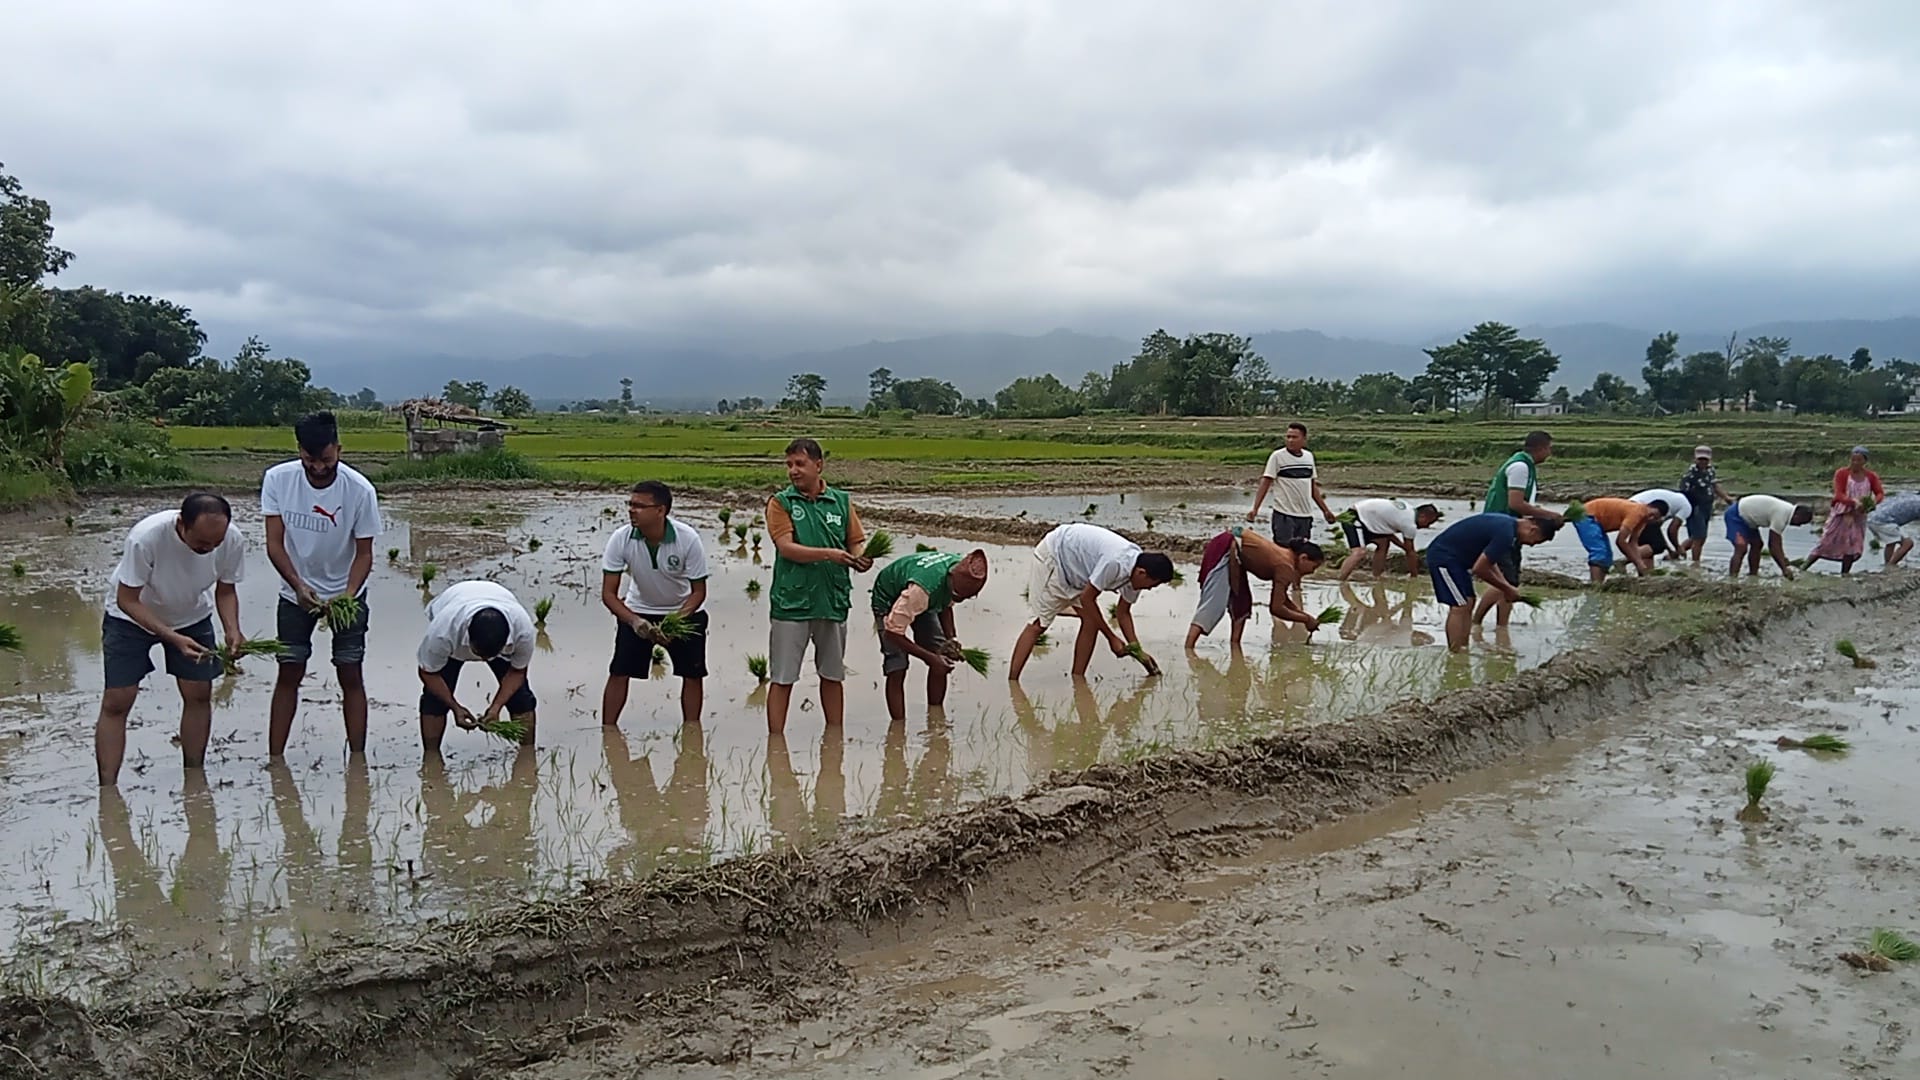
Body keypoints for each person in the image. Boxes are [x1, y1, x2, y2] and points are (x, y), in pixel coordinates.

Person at [95, 493, 248, 786]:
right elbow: (127, 599)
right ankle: (108, 789)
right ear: (182, 525)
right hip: (129, 618)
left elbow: (226, 590)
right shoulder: (146, 538)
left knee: (199, 694)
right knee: (117, 700)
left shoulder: (231, 540)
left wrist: (232, 628)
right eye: (202, 543)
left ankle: (194, 777)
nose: (209, 549)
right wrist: (173, 638)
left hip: (191, 615)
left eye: (215, 543)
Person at [261, 411, 381, 757]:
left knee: (350, 672)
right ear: (299, 451)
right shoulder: (277, 480)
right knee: (289, 671)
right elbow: (274, 543)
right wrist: (298, 586)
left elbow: (364, 554)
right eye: (310, 459)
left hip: (347, 594)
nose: (318, 468)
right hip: (294, 594)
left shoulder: (359, 491)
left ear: (338, 450)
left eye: (326, 459)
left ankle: (358, 760)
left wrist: (346, 597)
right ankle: (275, 759)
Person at [765, 437, 872, 735]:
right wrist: (830, 554)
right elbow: (786, 548)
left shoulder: (841, 501)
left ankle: (834, 739)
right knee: (783, 677)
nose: (793, 471)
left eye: (800, 464)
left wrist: (860, 559)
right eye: (789, 465)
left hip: (832, 600)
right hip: (792, 603)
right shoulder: (781, 503)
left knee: (832, 674)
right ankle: (776, 745)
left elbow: (855, 542)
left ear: (818, 465)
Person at [600, 481, 711, 727]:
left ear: (661, 511)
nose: (632, 510)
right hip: (638, 610)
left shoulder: (687, 538)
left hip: (683, 613)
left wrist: (673, 623)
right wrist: (635, 622)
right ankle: (607, 731)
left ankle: (692, 731)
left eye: (640, 505)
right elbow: (608, 594)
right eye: (630, 504)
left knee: (693, 674)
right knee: (619, 671)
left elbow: (698, 592)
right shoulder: (621, 538)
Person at [1008, 522, 1174, 680]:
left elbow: (1122, 613)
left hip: (1079, 572)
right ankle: (1012, 683)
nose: (1150, 589)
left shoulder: (1136, 576)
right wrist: (1111, 638)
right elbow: (1087, 599)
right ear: (1142, 573)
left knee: (1091, 622)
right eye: (1153, 584)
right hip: (1055, 556)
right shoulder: (1115, 563)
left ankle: (1077, 679)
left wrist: (1138, 652)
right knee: (1037, 625)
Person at [417, 580, 538, 752]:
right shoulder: (443, 633)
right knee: (434, 700)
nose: (482, 660)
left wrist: (496, 707)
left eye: (489, 656)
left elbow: (518, 671)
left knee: (521, 698)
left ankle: (527, 753)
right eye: (479, 654)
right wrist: (455, 707)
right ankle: (431, 758)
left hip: (498, 600)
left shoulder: (523, 631)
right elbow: (428, 673)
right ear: (467, 637)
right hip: (453, 604)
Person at [871, 548, 989, 724]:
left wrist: (951, 640)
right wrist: (930, 658)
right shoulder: (921, 590)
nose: (960, 600)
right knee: (897, 666)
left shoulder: (958, 568)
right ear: (951, 584)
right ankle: (898, 728)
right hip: (889, 597)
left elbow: (946, 605)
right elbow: (893, 633)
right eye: (959, 596)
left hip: (924, 598)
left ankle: (936, 718)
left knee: (943, 658)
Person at [1426, 512, 1559, 652]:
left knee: (1469, 601)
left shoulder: (1507, 526)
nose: (1531, 545)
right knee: (1459, 606)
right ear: (1533, 530)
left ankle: (1463, 647)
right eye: (1536, 541)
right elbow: (1480, 569)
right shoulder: (1506, 533)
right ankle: (1455, 653)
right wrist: (1507, 589)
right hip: (1444, 558)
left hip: (1458, 561)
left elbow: (1489, 562)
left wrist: (1506, 586)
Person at [1185, 529, 1327, 648]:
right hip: (1225, 548)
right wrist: (1306, 619)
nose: (1312, 572)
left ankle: (1235, 646)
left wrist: (1305, 617)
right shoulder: (1286, 566)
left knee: (1242, 604)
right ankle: (1189, 648)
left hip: (1236, 555)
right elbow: (1276, 608)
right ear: (1303, 558)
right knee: (1214, 604)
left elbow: (1283, 599)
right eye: (1313, 567)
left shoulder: (1288, 562)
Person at [1478, 431, 1563, 627]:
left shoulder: (1525, 466)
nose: (1550, 453)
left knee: (1511, 581)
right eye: (1549, 448)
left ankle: (1502, 627)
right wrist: (1549, 515)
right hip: (1502, 528)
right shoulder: (1520, 467)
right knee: (1506, 581)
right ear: (1541, 448)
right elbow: (1516, 503)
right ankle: (1476, 622)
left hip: (1512, 529)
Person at [1246, 422, 1335, 544]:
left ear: (1304, 439)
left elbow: (1312, 486)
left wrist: (1325, 510)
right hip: (1284, 515)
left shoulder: (1308, 457)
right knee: (1283, 552)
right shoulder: (1277, 456)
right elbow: (1266, 482)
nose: (1290, 440)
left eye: (1294, 437)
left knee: (1302, 553)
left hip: (1305, 515)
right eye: (1288, 437)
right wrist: (1255, 509)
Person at [1805, 446, 1884, 575]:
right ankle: (1804, 567)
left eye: (1859, 460)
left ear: (1865, 461)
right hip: (1842, 514)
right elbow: (1839, 494)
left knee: (1852, 546)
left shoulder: (1871, 476)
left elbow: (1879, 493)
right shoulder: (1842, 473)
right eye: (1853, 460)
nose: (1855, 463)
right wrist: (1853, 502)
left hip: (1859, 515)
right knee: (1827, 541)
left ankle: (1845, 574)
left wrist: (1873, 502)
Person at [1335, 498, 1441, 582]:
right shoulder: (1409, 524)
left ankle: (1376, 576)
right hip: (1355, 517)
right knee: (1359, 552)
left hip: (1367, 518)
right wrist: (1414, 575)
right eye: (1428, 522)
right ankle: (1340, 580)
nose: (1427, 526)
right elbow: (1410, 552)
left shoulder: (1408, 510)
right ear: (1423, 516)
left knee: (1383, 544)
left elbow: (1388, 535)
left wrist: (1403, 546)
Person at [1576, 497, 1669, 580]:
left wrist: (1641, 564)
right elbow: (1620, 541)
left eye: (1654, 518)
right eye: (1651, 514)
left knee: (1607, 555)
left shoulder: (1643, 521)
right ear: (1648, 506)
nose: (1650, 518)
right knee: (1600, 551)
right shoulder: (1637, 512)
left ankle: (1599, 584)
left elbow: (1633, 543)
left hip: (1596, 522)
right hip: (1586, 515)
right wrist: (1637, 562)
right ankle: (1595, 586)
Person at [1725, 494, 1814, 579]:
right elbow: (1773, 546)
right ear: (1797, 516)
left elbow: (1776, 544)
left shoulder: (1786, 510)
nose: (1799, 526)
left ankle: (1753, 575)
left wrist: (1782, 558)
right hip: (1736, 515)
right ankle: (1733, 578)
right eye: (1801, 522)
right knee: (1741, 547)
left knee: (1757, 544)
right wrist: (1784, 569)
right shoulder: (1782, 514)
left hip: (1750, 521)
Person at [1676, 445, 1735, 566]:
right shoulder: (1689, 475)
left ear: (1709, 459)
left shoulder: (1710, 470)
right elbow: (1683, 494)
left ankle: (1674, 553)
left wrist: (1726, 498)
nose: (1703, 462)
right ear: (1695, 459)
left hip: (1707, 507)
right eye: (1700, 459)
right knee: (1699, 537)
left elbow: (1714, 485)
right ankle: (1695, 564)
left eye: (1705, 459)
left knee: (1696, 537)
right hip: (1694, 507)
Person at [1630, 486, 1690, 563]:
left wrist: (1669, 549)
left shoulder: (1674, 500)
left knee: (1648, 546)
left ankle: (1646, 573)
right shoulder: (1687, 506)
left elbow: (1657, 531)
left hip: (1633, 505)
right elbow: (1672, 530)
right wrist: (1678, 547)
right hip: (1639, 509)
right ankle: (1623, 561)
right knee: (1657, 546)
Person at [1868, 492, 1920, 567]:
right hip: (1883, 521)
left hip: (1873, 517)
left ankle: (1887, 564)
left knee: (1891, 543)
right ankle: (1890, 566)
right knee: (1908, 543)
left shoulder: (1911, 496)